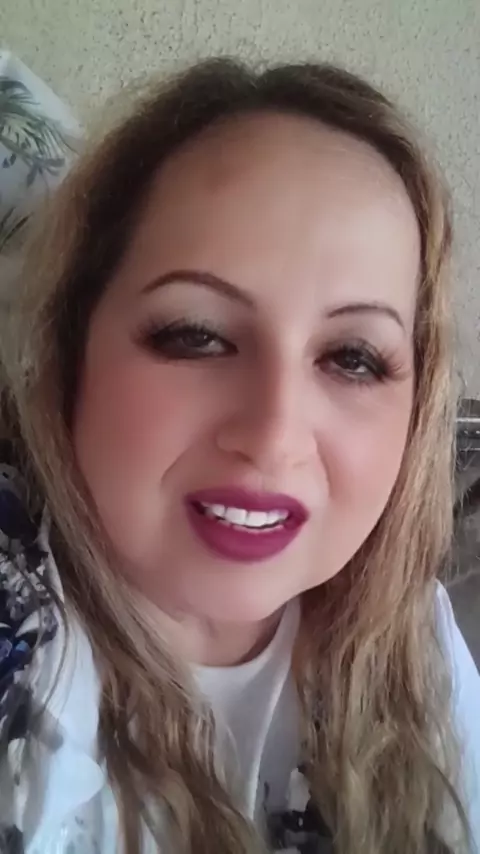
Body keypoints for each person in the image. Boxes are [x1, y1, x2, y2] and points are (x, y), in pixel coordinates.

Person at [0, 57, 478, 854]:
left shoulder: (418, 644)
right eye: (195, 335)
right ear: (69, 350)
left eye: (353, 357)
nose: (273, 432)